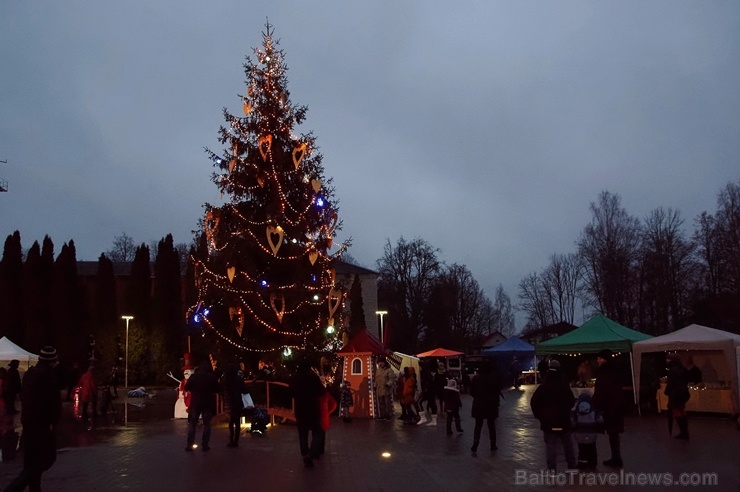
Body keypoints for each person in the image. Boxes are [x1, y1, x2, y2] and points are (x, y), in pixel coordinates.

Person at [3, 346, 62, 492]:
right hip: (42, 424)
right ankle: (14, 489)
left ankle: (34, 489)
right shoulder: (49, 376)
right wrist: (53, 423)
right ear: (52, 361)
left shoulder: (30, 373)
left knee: (31, 462)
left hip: (28, 422)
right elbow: (52, 402)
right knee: (44, 460)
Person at [530, 359, 577, 471]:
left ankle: (552, 469)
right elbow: (571, 400)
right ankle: (571, 466)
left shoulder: (543, 386)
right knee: (567, 444)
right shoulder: (564, 385)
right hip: (563, 419)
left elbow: (534, 402)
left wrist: (539, 415)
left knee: (550, 445)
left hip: (548, 420)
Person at [289, 358, 325, 468]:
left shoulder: (295, 378)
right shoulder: (313, 378)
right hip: (313, 409)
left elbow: (291, 392)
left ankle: (305, 453)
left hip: (300, 409)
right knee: (318, 432)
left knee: (302, 434)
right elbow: (320, 392)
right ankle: (312, 452)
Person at [592, 349, 624, 467]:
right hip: (615, 405)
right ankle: (616, 457)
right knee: (613, 433)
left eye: (599, 358)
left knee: (613, 432)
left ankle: (616, 458)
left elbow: (603, 390)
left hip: (611, 406)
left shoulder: (606, 371)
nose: (598, 360)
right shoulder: (614, 370)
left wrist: (595, 402)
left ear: (604, 359)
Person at [185, 359, 220, 452]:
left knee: (192, 424)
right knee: (207, 424)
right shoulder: (212, 377)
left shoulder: (194, 377)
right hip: (208, 403)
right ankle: (205, 445)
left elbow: (186, 387)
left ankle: (190, 444)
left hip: (195, 403)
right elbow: (218, 389)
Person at [469, 359, 503, 453]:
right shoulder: (494, 378)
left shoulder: (476, 379)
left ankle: (475, 444)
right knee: (491, 425)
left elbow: (471, 392)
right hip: (491, 404)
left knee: (478, 425)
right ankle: (493, 444)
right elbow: (498, 390)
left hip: (479, 404)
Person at [665, 353, 691, 440]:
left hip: (676, 394)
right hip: (683, 393)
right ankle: (684, 432)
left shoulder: (673, 371)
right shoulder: (682, 369)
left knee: (677, 412)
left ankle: (683, 432)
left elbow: (671, 384)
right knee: (681, 411)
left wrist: (667, 391)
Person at [221, 364, 247, 448]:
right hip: (238, 401)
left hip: (229, 402)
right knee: (237, 422)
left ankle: (231, 440)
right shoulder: (238, 379)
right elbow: (244, 390)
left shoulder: (225, 379)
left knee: (231, 422)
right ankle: (236, 441)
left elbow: (221, 389)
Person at [572, 392, 600, 470]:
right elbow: (600, 420)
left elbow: (573, 422)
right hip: (592, 434)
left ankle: (582, 464)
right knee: (592, 449)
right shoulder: (594, 410)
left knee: (582, 450)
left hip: (579, 434)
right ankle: (592, 464)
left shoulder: (576, 410)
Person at [317, 386, 337, 457]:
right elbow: (334, 404)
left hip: (316, 416)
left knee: (316, 434)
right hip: (323, 416)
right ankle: (321, 448)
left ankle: (315, 449)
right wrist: (328, 412)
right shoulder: (326, 394)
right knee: (322, 433)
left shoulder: (313, 394)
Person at [417, 360, 438, 426]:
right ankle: (433, 421)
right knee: (432, 404)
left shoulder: (425, 374)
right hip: (430, 391)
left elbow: (427, 383)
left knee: (419, 402)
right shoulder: (428, 373)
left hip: (428, 391)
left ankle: (423, 418)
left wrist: (424, 391)